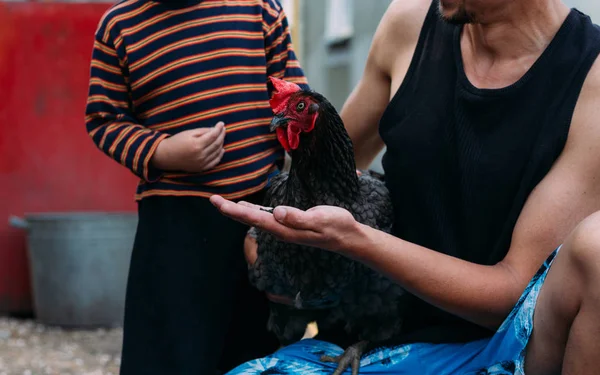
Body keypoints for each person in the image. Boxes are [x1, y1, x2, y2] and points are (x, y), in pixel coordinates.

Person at [210, 0, 600, 373]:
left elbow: (513, 295)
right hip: (364, 331)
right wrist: (281, 243)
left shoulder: (591, 80)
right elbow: (333, 167)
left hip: (493, 349)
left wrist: (354, 239)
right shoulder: (410, 23)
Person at [84, 0, 308, 374]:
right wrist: (161, 150)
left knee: (255, 352)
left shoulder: (257, 9)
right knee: (167, 352)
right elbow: (103, 119)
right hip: (173, 227)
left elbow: (296, 100)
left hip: (257, 218)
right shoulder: (119, 26)